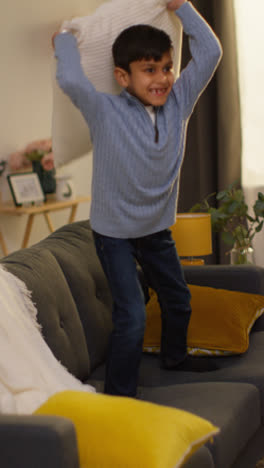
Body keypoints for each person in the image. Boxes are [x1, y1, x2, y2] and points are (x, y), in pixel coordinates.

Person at [52, 0, 222, 398]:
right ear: (123, 77)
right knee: (130, 315)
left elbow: (211, 52)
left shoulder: (178, 105)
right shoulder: (104, 111)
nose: (162, 78)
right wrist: (62, 42)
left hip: (157, 231)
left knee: (178, 299)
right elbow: (74, 82)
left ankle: (174, 357)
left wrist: (182, 8)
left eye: (166, 67)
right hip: (113, 235)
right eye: (149, 70)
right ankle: (119, 395)